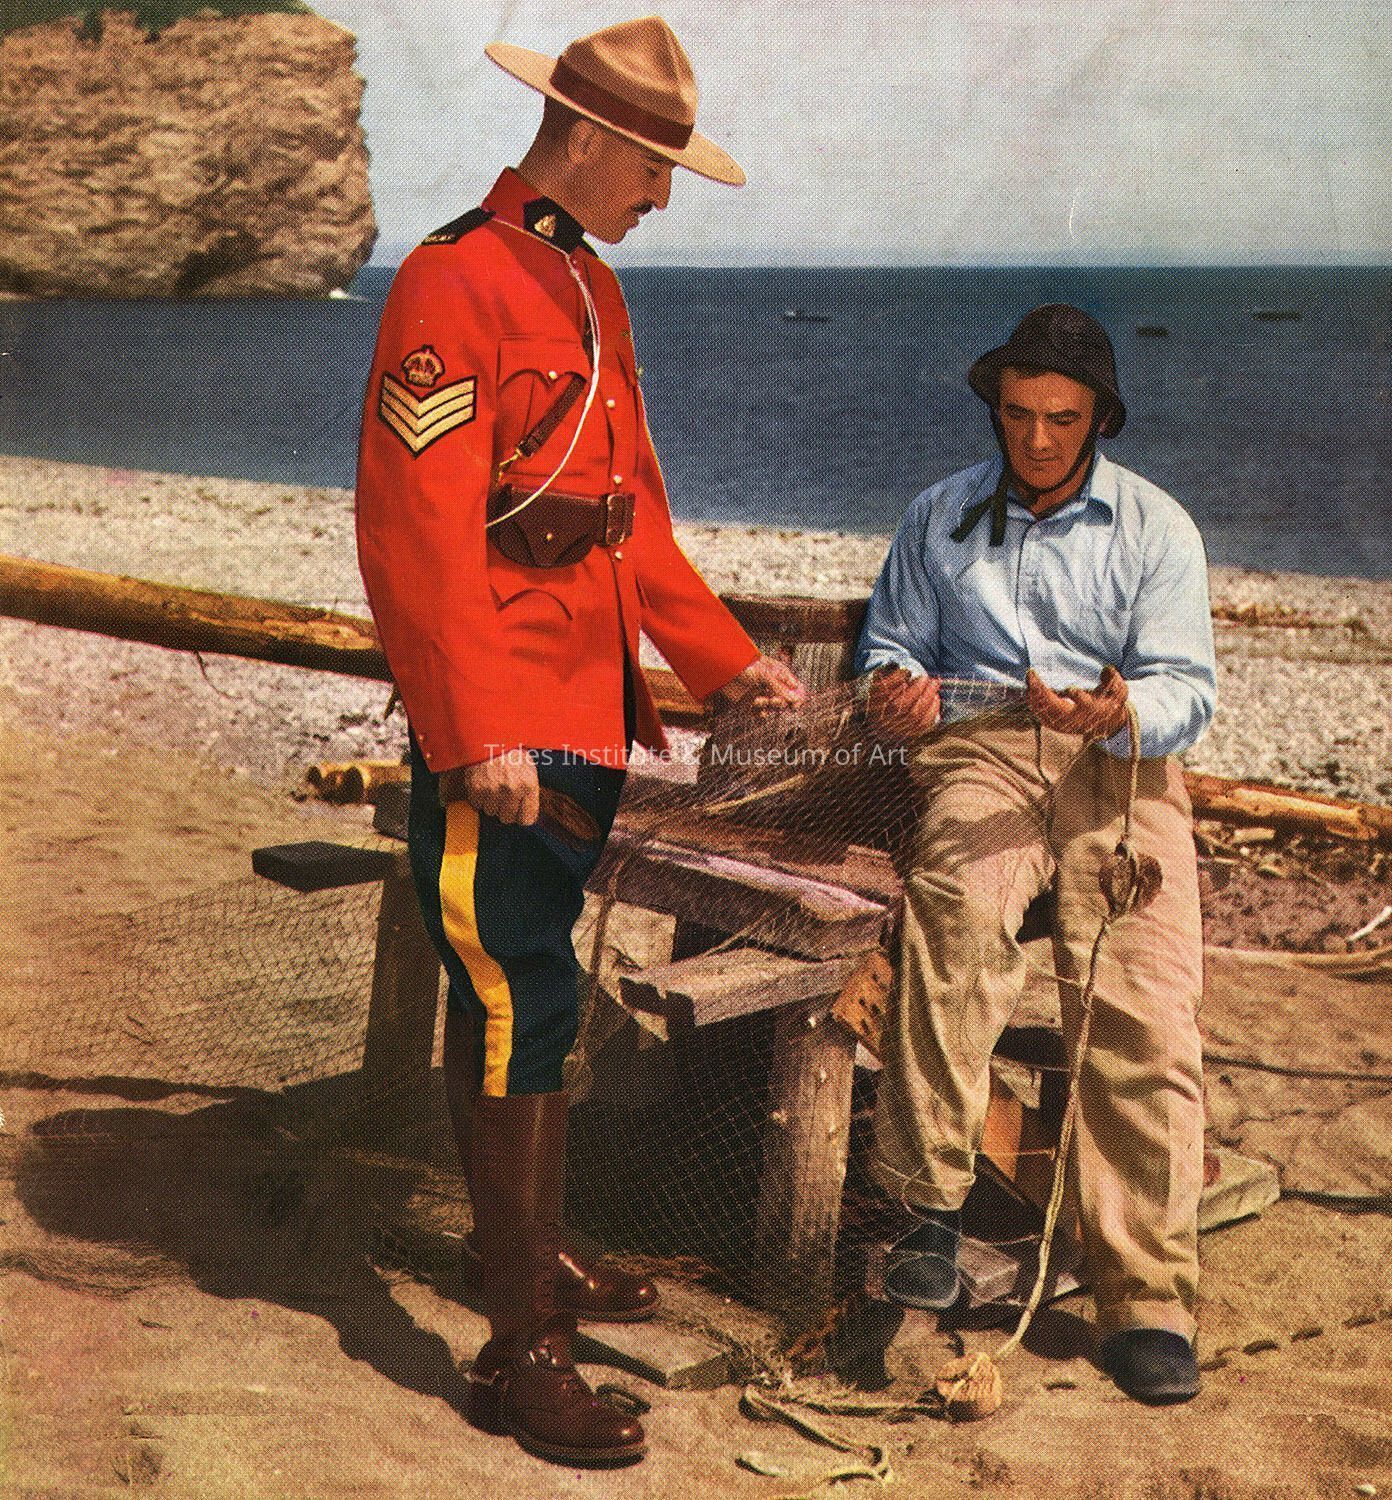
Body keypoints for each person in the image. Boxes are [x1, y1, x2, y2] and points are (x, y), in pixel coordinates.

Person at [355, 16, 803, 1466]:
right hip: (504, 730)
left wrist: (725, 663)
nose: (663, 196)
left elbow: (630, 523)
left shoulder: (591, 288)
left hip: (585, 714)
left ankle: (524, 1254)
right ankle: (522, 1350)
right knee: (516, 994)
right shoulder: (452, 278)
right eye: (656, 168)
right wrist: (471, 727)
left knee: (525, 991)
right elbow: (416, 534)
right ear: (592, 139)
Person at [854, 304, 1216, 1405]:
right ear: (996, 409)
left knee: (1144, 997)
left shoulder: (1157, 527)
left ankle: (1146, 1300)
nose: (1039, 439)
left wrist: (1121, 708)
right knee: (957, 916)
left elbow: (1188, 688)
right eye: (1018, 415)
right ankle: (929, 1209)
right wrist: (896, 696)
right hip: (987, 752)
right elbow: (891, 648)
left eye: (1062, 419)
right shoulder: (938, 515)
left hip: (1120, 761)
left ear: (1099, 417)